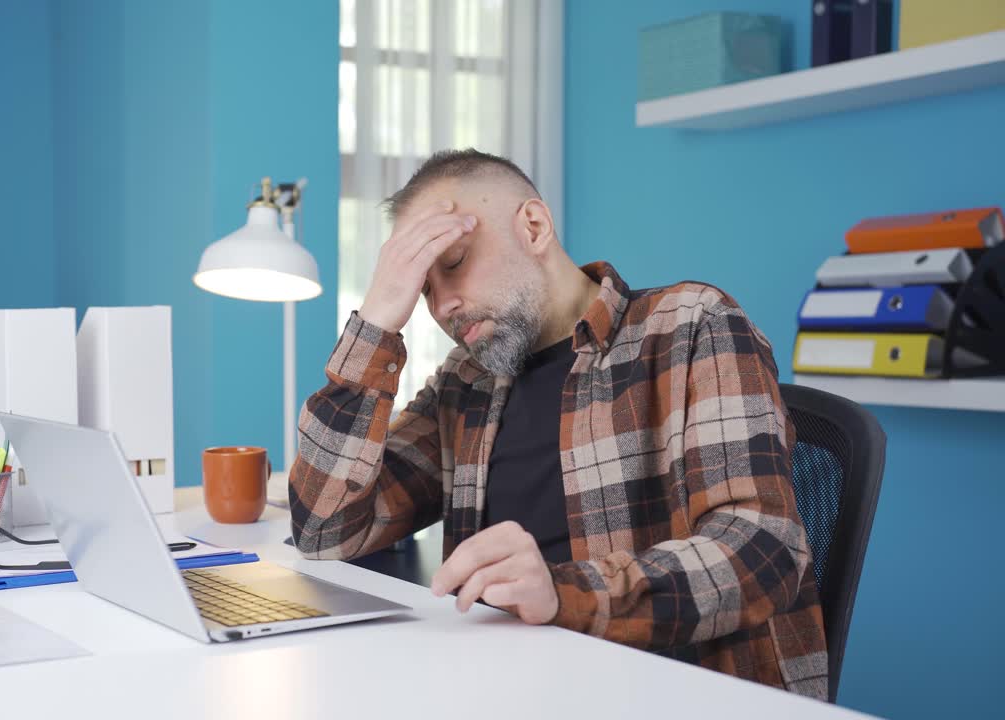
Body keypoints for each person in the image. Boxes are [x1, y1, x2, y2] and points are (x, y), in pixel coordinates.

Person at [288, 148, 828, 699]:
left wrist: (562, 593)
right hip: (504, 688)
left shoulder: (692, 326)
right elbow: (325, 531)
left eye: (451, 263)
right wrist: (377, 322)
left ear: (534, 226)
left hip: (676, 694)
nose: (444, 305)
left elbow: (763, 551)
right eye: (422, 289)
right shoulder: (464, 382)